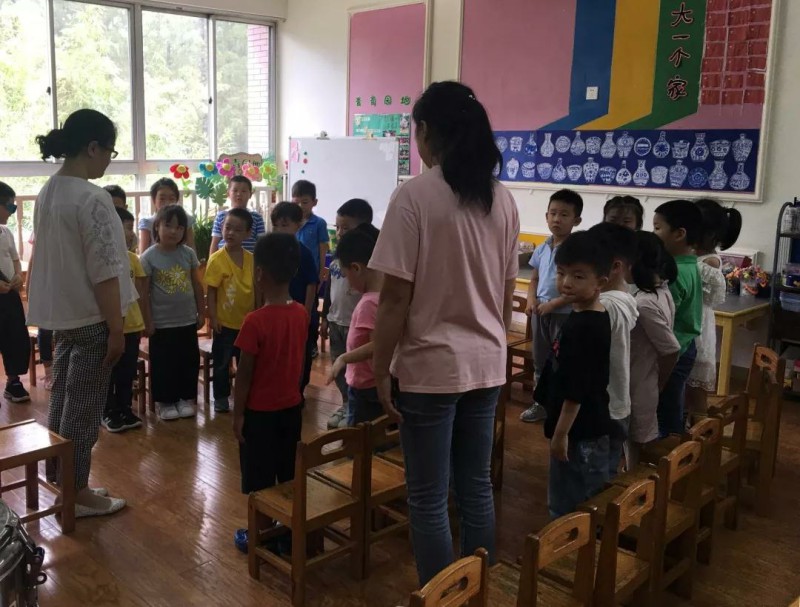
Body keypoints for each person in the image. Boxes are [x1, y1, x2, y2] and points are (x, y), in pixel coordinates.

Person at [370, 81, 519, 585]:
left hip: (431, 368)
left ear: (427, 131)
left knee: (429, 497)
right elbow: (504, 294)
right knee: (475, 486)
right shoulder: (503, 199)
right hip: (487, 364)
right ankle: (481, 591)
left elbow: (394, 298)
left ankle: (442, 598)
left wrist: (381, 369)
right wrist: (492, 346)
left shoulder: (414, 195)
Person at [28, 108, 133, 517]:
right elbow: (105, 271)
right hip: (93, 319)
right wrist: (116, 329)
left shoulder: (48, 191)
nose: (108, 160)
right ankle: (76, 494)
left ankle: (64, 482)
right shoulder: (92, 197)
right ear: (92, 148)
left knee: (63, 402)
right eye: (109, 151)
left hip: (64, 319)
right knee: (84, 411)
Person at [232, 232, 308, 553]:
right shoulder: (302, 313)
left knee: (259, 479)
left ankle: (261, 535)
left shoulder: (254, 322)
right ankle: (287, 533)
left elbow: (244, 376)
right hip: (291, 409)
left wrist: (237, 415)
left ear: (259, 273)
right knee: (287, 472)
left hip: (259, 415)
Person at [533, 231, 613, 518]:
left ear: (600, 282)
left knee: (572, 507)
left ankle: (574, 545)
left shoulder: (587, 327)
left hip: (580, 432)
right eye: (561, 273)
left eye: (578, 276)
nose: (566, 282)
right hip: (577, 427)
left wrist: (560, 434)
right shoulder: (581, 313)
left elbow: (576, 389)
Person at [520, 188, 583, 423]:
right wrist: (531, 300)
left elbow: (580, 288)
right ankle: (541, 403)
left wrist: (554, 304)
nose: (557, 219)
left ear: (576, 220)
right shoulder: (542, 247)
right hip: (540, 312)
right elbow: (534, 279)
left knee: (561, 362)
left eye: (564, 214)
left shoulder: (576, 250)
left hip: (564, 314)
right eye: (553, 213)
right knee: (540, 360)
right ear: (546, 216)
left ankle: (559, 409)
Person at [140, 204, 204, 421]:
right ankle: (165, 402)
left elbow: (197, 285)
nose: (174, 231)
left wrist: (201, 313)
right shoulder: (149, 257)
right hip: (162, 323)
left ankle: (185, 398)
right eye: (168, 226)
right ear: (157, 227)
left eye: (179, 227)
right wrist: (148, 321)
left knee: (187, 360)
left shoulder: (188, 254)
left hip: (186, 320)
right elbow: (144, 293)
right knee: (163, 363)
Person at [587, 223, 639, 478]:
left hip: (599, 410)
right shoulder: (625, 298)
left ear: (615, 266)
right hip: (616, 405)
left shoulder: (604, 307)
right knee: (604, 477)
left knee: (589, 484)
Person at [626, 232, 680, 467]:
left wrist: (659, 383)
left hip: (641, 383)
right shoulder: (660, 290)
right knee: (632, 446)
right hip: (642, 378)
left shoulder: (644, 303)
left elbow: (671, 349)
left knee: (636, 450)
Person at [686, 199, 742, 416]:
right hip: (688, 323)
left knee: (696, 393)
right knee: (683, 390)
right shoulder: (691, 255)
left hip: (696, 328)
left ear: (710, 234)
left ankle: (702, 431)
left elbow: (710, 298)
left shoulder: (708, 262)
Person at [653, 200, 703, 437]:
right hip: (684, 345)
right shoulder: (690, 264)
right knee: (673, 401)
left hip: (674, 350)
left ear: (679, 234)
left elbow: (662, 318)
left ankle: (669, 451)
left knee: (666, 408)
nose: (653, 233)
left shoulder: (675, 273)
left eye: (657, 228)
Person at [325, 224, 384, 426]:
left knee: (359, 438)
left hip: (366, 388)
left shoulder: (369, 303)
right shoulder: (382, 297)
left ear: (356, 268)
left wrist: (343, 358)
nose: (348, 284)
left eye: (346, 275)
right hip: (371, 386)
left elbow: (378, 345)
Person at [322, 198, 372, 429]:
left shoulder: (365, 260)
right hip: (336, 321)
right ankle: (346, 404)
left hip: (356, 325)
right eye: (338, 227)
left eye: (346, 228)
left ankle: (355, 407)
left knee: (356, 368)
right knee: (338, 368)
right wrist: (325, 317)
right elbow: (329, 290)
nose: (340, 232)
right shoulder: (336, 257)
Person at [204, 207, 255, 413]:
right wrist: (213, 317)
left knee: (246, 363)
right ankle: (221, 397)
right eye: (227, 227)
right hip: (224, 323)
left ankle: (246, 395)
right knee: (222, 363)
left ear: (248, 234)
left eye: (237, 230)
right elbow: (212, 292)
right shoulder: (217, 259)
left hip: (248, 323)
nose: (231, 233)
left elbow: (258, 290)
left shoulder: (252, 259)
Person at [102, 207, 147, 433]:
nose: (131, 233)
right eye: (128, 228)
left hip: (132, 325)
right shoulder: (103, 260)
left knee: (127, 372)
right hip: (111, 326)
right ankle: (108, 411)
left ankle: (125, 408)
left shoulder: (133, 259)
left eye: (132, 228)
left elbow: (139, 294)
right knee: (109, 371)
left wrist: (144, 321)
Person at [270, 202, 319, 400]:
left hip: (300, 314)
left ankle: (298, 391)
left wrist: (306, 312)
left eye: (285, 225)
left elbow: (311, 283)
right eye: (276, 225)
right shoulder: (271, 251)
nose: (279, 230)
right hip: (277, 313)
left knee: (300, 354)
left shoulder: (303, 252)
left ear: (298, 225)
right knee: (278, 352)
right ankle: (279, 388)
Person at [0, 182, 30, 403]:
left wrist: (18, 275)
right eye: (10, 207)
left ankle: (13, 381)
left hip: (9, 293)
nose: (12, 212)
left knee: (15, 336)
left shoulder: (6, 232)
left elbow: (15, 259)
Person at [208, 175, 266, 257]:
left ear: (250, 194)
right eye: (235, 190)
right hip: (223, 260)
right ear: (228, 193)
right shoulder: (221, 216)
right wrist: (211, 261)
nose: (239, 194)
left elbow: (262, 244)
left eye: (243, 191)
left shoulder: (257, 217)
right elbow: (215, 242)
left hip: (249, 261)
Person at [24, 235, 54, 390]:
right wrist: (29, 289)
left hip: (62, 286)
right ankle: (49, 373)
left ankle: (61, 370)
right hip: (45, 287)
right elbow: (32, 260)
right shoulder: (41, 231)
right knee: (45, 329)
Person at [138, 178, 195, 253]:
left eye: (171, 199)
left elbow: (191, 247)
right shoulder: (148, 223)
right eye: (162, 199)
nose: (167, 203)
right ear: (154, 200)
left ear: (177, 200)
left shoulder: (186, 219)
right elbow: (143, 253)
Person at [291, 179, 330, 282]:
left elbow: (322, 251)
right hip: (292, 272)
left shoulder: (319, 223)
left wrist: (321, 273)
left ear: (314, 202)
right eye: (296, 202)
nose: (300, 206)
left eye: (305, 202)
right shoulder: (290, 223)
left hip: (311, 273)